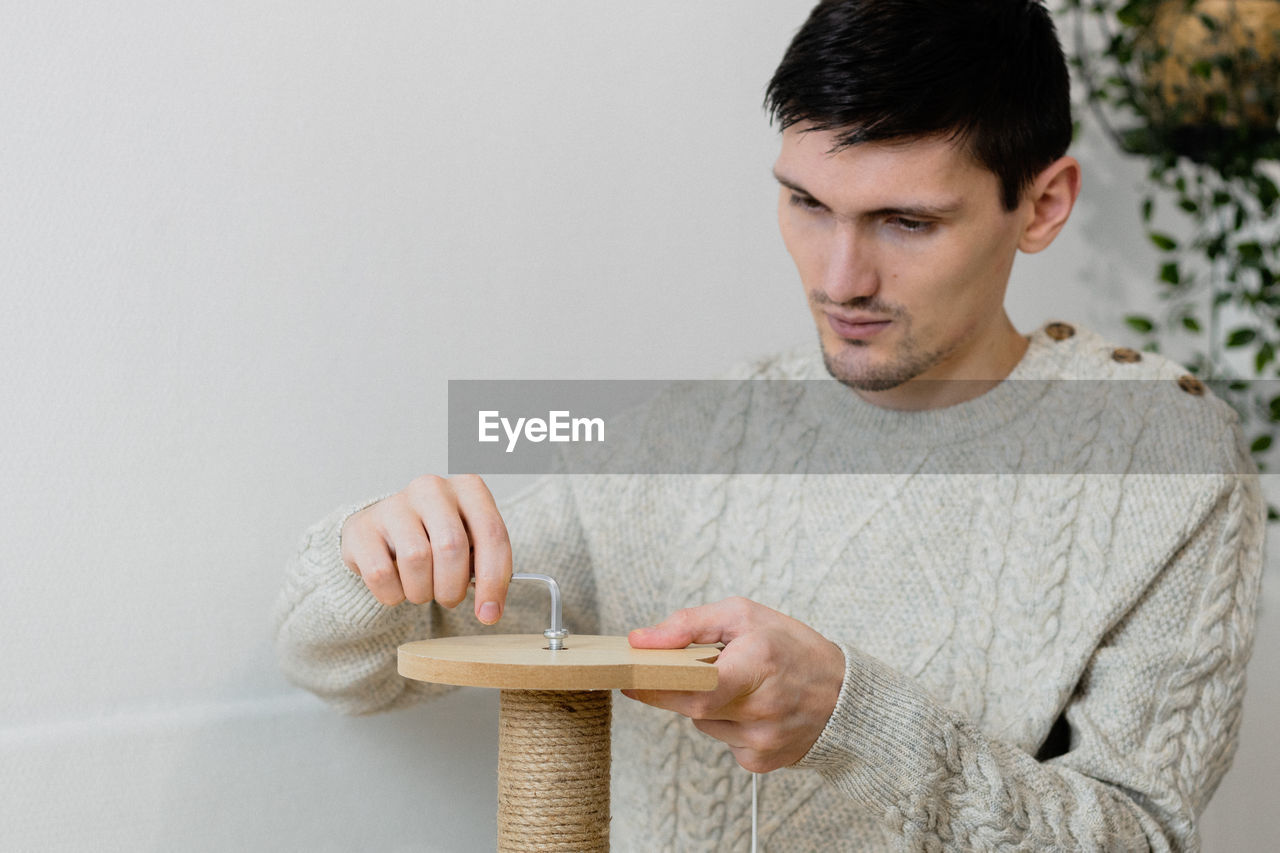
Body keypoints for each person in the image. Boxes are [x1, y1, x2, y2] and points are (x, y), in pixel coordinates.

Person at [273, 1, 1265, 849]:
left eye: (904, 223)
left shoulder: (1168, 459)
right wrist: (379, 558)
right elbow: (337, 662)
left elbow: (1137, 837)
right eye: (804, 202)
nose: (839, 280)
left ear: (1040, 205)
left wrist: (852, 716)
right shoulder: (688, 435)